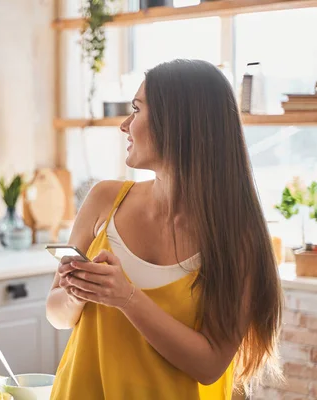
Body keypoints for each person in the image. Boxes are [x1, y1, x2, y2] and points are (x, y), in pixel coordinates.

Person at [46, 59, 283, 399]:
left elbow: (210, 364)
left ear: (179, 125)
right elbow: (57, 315)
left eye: (137, 110)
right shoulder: (103, 199)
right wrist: (75, 292)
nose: (125, 125)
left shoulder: (238, 239)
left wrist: (126, 297)